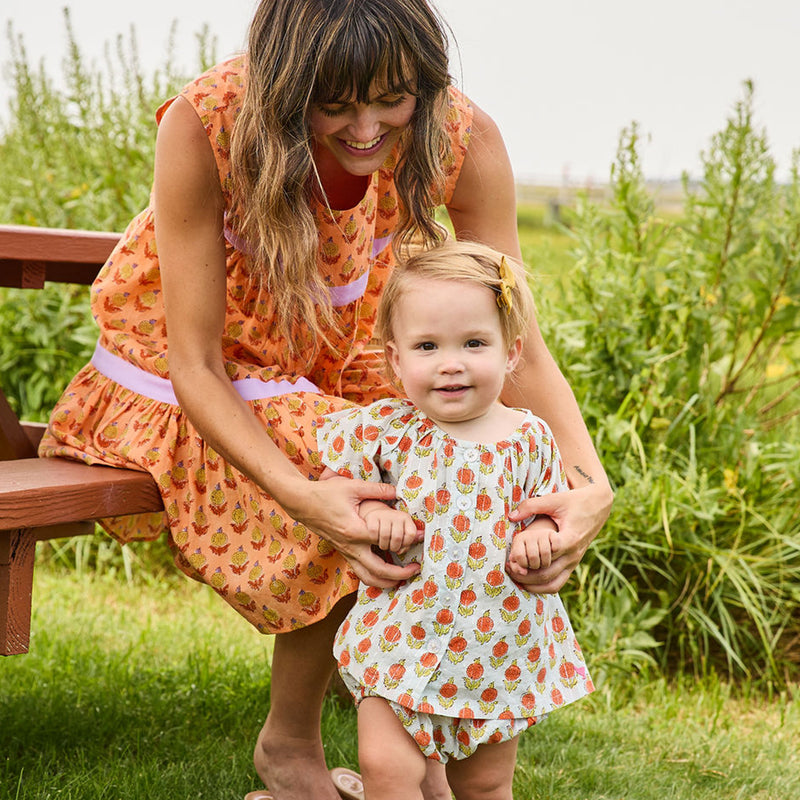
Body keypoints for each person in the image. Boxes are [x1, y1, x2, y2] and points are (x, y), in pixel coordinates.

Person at [38, 1, 612, 798]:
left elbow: (522, 345)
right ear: (283, 86)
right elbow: (193, 363)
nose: (367, 129)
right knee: (371, 466)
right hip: (177, 380)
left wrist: (589, 488)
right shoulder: (207, 124)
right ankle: (290, 746)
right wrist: (305, 497)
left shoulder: (461, 135)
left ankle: (428, 734)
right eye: (334, 106)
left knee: (445, 449)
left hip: (325, 369)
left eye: (392, 100)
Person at [316, 240, 594, 800]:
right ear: (396, 359)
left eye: (474, 343)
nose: (451, 363)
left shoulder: (530, 438)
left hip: (496, 651)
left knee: (485, 783)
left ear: (511, 352)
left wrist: (540, 539)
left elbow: (551, 511)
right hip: (400, 639)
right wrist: (374, 512)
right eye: (427, 346)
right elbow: (334, 489)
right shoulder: (385, 431)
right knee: (386, 766)